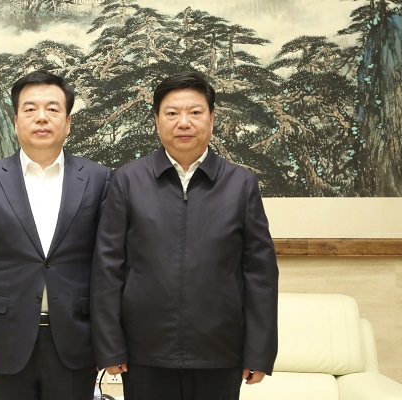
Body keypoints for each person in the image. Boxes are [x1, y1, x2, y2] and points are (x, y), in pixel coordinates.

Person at [91, 71, 279, 400]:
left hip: (220, 351)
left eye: (195, 112)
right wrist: (109, 345)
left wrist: (259, 351)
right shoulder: (128, 180)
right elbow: (107, 268)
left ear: (211, 119)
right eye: (172, 113)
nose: (184, 123)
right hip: (145, 351)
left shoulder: (241, 184)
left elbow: (260, 275)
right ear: (156, 120)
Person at [0, 70, 111, 400]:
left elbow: (108, 266)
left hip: (76, 339)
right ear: (15, 121)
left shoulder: (99, 179)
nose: (41, 117)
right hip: (3, 340)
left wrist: (109, 339)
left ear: (68, 123)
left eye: (52, 109)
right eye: (30, 109)